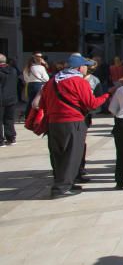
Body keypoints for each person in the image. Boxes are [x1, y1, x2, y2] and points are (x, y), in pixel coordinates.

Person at [35, 55, 109, 198]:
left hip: (53, 122)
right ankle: (62, 188)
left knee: (59, 155)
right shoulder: (78, 81)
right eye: (85, 66)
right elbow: (91, 104)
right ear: (80, 67)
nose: (86, 68)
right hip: (72, 122)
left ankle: (65, 182)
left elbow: (42, 104)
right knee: (72, 154)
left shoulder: (52, 82)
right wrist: (107, 95)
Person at [23, 53, 50, 120]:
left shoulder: (27, 68)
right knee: (39, 101)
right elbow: (47, 78)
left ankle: (28, 116)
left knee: (30, 101)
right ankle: (37, 117)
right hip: (39, 85)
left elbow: (25, 79)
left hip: (29, 85)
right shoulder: (41, 67)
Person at [0, 55, 19, 145]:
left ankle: (1, 140)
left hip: (1, 98)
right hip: (12, 98)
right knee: (9, 119)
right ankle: (11, 138)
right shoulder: (13, 70)